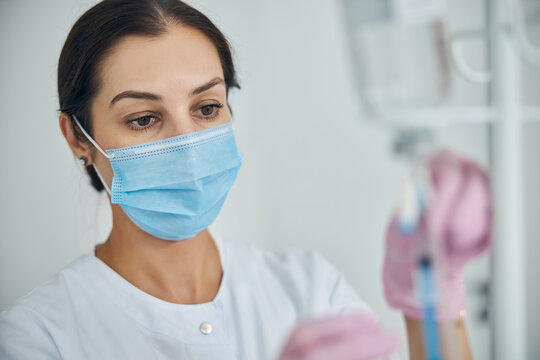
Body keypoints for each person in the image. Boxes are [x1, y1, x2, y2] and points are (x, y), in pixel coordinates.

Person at [0, 1, 491, 359]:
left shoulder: (308, 288)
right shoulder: (40, 337)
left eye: (206, 108)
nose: (187, 144)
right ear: (77, 137)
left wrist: (431, 299)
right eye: (144, 118)